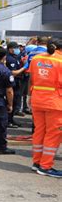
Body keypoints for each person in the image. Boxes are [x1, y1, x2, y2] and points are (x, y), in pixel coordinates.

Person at [28, 37, 62, 178]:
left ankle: (37, 162)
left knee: (39, 132)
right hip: (55, 102)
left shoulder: (36, 59)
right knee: (53, 134)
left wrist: (30, 96)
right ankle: (45, 166)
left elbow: (31, 79)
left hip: (37, 99)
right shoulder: (60, 61)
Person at [5, 42, 26, 127]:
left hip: (17, 82)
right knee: (12, 101)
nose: (17, 50)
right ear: (10, 49)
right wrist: (24, 68)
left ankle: (11, 119)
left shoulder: (15, 57)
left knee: (16, 101)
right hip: (12, 82)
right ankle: (8, 121)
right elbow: (13, 72)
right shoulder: (10, 59)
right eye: (15, 48)